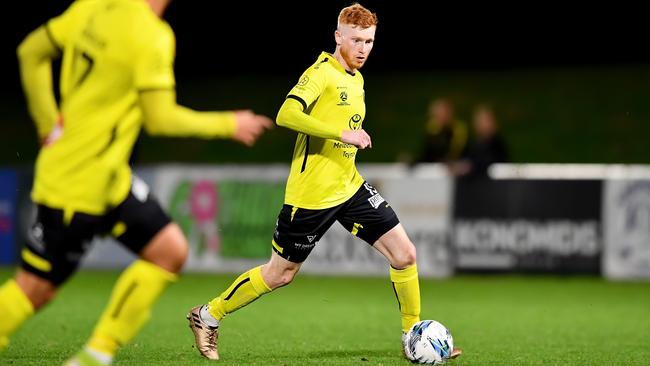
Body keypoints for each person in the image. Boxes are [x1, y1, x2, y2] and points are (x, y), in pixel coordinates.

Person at [0, 0, 272, 365]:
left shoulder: (89, 8)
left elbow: (30, 51)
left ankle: (97, 354)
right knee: (35, 290)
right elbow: (159, 118)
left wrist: (48, 124)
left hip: (109, 178)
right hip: (76, 186)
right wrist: (229, 124)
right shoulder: (151, 35)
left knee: (169, 251)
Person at [186, 3, 461, 362]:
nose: (363, 48)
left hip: (349, 187)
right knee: (280, 275)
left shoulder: (357, 79)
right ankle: (207, 316)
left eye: (370, 41)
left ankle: (413, 335)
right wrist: (342, 133)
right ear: (338, 37)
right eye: (356, 40)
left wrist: (346, 139)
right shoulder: (321, 73)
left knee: (405, 253)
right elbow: (286, 113)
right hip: (311, 197)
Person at [459, 104, 510, 178]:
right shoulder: (474, 145)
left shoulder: (498, 145)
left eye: (488, 120)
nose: (487, 124)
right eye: (482, 121)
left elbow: (494, 164)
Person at [417, 98, 468, 163]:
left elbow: (456, 152)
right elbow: (427, 152)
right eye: (436, 115)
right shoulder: (432, 128)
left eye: (442, 113)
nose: (438, 117)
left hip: (455, 163)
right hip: (434, 164)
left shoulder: (458, 129)